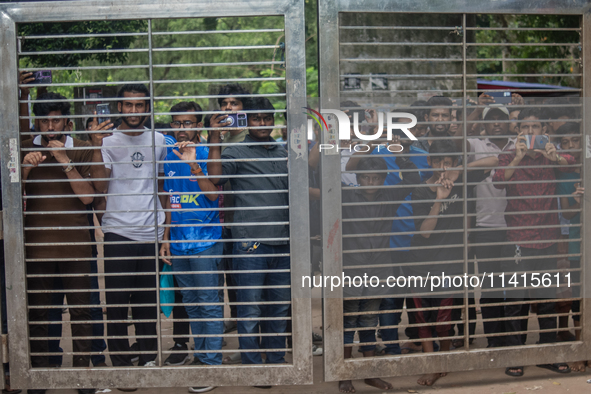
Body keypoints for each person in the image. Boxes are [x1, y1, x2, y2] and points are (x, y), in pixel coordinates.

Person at [21, 92, 100, 394]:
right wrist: (26, 169)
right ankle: (39, 376)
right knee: (39, 312)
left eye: (56, 120)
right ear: (37, 122)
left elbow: (88, 197)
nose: (51, 126)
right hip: (36, 248)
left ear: (67, 121)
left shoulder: (80, 149)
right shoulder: (26, 149)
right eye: (45, 120)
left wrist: (65, 162)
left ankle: (83, 375)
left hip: (76, 246)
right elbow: (13, 198)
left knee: (81, 312)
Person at [207, 97, 290, 367]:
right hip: (251, 244)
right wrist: (214, 137)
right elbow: (216, 177)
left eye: (267, 118)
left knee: (278, 310)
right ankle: (253, 364)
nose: (263, 123)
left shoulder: (285, 152)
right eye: (257, 119)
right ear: (247, 121)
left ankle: (277, 362)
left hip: (285, 243)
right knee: (250, 310)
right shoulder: (236, 151)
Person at [492, 107, 574, 377]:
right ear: (517, 131)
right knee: (516, 301)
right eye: (524, 128)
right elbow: (498, 180)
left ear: (543, 131)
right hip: (518, 238)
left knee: (548, 299)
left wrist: (555, 157)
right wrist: (517, 157)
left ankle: (547, 353)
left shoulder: (551, 155)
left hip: (548, 238)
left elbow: (574, 161)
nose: (529, 132)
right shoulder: (509, 154)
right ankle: (516, 355)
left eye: (535, 128)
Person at [93, 84, 167, 376]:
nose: (134, 111)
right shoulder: (107, 141)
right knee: (117, 302)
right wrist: (95, 144)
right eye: (128, 106)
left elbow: (161, 185)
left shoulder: (160, 140)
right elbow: (100, 187)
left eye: (139, 105)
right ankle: (122, 364)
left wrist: (165, 231)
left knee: (148, 303)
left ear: (147, 107)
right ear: (119, 108)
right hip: (118, 233)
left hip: (152, 232)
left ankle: (148, 359)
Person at [408, 139, 496, 387]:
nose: (443, 167)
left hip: (450, 262)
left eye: (448, 162)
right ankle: (430, 363)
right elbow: (424, 232)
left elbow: (496, 160)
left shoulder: (463, 182)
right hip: (421, 263)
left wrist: (460, 170)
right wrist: (439, 198)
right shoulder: (421, 190)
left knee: (445, 317)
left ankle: (442, 362)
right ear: (429, 161)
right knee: (422, 317)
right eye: (438, 162)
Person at [336, 152, 420, 393]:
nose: (370, 183)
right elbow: (325, 183)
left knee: (370, 320)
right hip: (351, 266)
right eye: (365, 178)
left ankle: (369, 372)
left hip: (379, 267)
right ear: (358, 178)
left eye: (376, 178)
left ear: (384, 178)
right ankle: (344, 373)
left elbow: (413, 180)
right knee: (349, 320)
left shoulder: (390, 195)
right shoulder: (347, 196)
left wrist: (401, 157)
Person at [160, 101, 222, 393]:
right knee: (193, 305)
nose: (182, 129)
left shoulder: (210, 152)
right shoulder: (167, 154)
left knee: (209, 304)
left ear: (199, 125)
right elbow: (170, 198)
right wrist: (166, 237)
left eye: (188, 123)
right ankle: (201, 357)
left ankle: (212, 365)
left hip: (206, 240)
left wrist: (194, 164)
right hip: (179, 241)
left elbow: (212, 196)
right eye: (177, 123)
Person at [467, 104, 516, 348]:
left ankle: (514, 338)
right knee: (490, 286)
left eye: (501, 118)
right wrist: (475, 111)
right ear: (484, 124)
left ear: (509, 122)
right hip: (484, 227)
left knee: (514, 286)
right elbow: (453, 138)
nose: (496, 122)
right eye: (491, 118)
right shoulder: (476, 145)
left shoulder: (519, 145)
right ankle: (495, 341)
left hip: (516, 228)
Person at [554, 122, 588, 372]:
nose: (570, 147)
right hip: (578, 243)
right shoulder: (564, 176)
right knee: (579, 296)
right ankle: (580, 345)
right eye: (564, 143)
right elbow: (566, 211)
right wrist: (577, 200)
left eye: (573, 142)